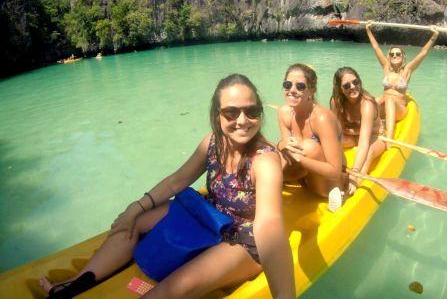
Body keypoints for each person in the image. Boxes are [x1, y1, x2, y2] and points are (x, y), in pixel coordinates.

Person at [39, 74, 296, 299]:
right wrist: (134, 209)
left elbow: (268, 224)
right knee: (134, 222)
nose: (242, 120)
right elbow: (177, 180)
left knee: (172, 290)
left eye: (251, 111)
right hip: (209, 216)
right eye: (231, 112)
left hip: (242, 240)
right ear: (217, 116)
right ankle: (76, 284)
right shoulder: (212, 143)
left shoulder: (265, 160)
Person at [276, 63, 344, 199]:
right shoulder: (284, 112)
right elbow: (285, 145)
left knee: (309, 146)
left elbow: (335, 171)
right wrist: (281, 146)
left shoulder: (321, 118)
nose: (292, 90)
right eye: (288, 85)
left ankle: (339, 192)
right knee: (267, 152)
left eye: (300, 86)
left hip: (329, 182)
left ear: (311, 90)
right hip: (302, 173)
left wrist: (299, 159)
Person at [365, 23, 438, 140]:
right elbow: (376, 47)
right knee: (369, 100)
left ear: (402, 57)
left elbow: (423, 52)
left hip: (398, 109)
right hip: (384, 108)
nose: (394, 56)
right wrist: (368, 29)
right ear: (388, 56)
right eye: (392, 54)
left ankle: (389, 139)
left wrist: (434, 35)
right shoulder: (386, 67)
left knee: (389, 99)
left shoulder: (407, 70)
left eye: (398, 54)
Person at [330, 67, 385, 191]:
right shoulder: (336, 101)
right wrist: (355, 133)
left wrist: (355, 171)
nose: (353, 87)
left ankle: (355, 182)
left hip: (375, 137)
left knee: (368, 152)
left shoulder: (367, 104)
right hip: (353, 135)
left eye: (356, 82)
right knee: (330, 141)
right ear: (340, 88)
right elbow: (338, 131)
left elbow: (364, 142)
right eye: (347, 85)